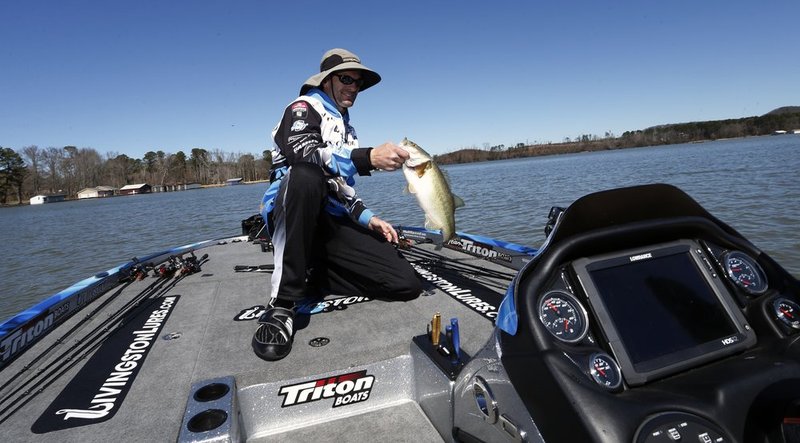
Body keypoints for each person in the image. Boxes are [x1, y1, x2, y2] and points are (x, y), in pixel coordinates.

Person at [253, 48, 422, 361]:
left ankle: (315, 272)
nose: (353, 88)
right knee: (305, 175)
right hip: (293, 210)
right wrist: (367, 157)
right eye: (346, 79)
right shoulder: (303, 107)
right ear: (327, 81)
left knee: (406, 283)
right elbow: (305, 156)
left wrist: (370, 218)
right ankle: (283, 303)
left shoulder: (348, 128)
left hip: (330, 220)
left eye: (358, 83)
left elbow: (342, 188)